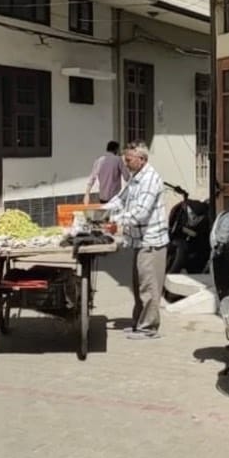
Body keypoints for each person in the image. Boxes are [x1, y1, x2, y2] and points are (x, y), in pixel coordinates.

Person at [103, 141, 167, 339]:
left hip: (151, 242)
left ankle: (149, 328)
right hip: (138, 242)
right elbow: (120, 199)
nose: (126, 163)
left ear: (141, 159)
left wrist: (116, 221)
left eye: (129, 160)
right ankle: (139, 323)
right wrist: (100, 210)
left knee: (148, 287)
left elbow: (140, 213)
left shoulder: (150, 179)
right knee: (138, 285)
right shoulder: (135, 177)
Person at [83, 140, 130, 205]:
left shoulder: (99, 160)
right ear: (116, 149)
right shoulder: (118, 160)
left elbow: (92, 178)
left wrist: (87, 194)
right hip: (115, 198)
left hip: (103, 197)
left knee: (104, 214)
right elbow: (127, 177)